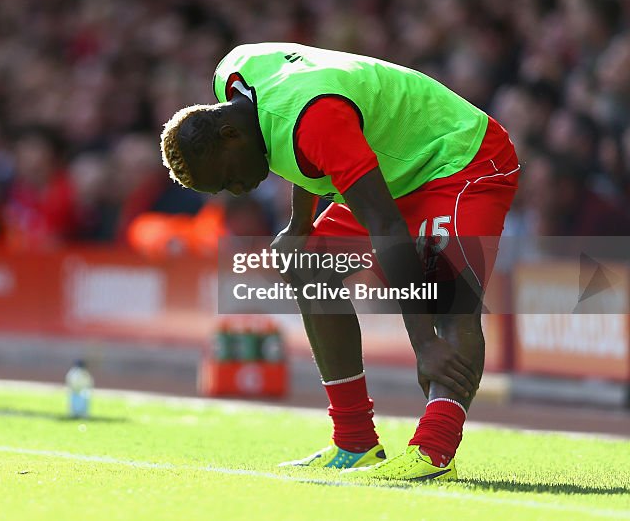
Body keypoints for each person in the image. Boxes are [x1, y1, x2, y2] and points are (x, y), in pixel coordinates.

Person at [160, 42, 520, 481]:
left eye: (229, 178)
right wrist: (299, 223)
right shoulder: (233, 75)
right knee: (305, 261)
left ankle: (434, 451)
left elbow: (384, 222)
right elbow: (291, 135)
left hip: (458, 159)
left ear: (228, 134)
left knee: (451, 300)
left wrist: (422, 342)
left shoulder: (315, 119)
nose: (238, 190)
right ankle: (354, 443)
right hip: (387, 170)